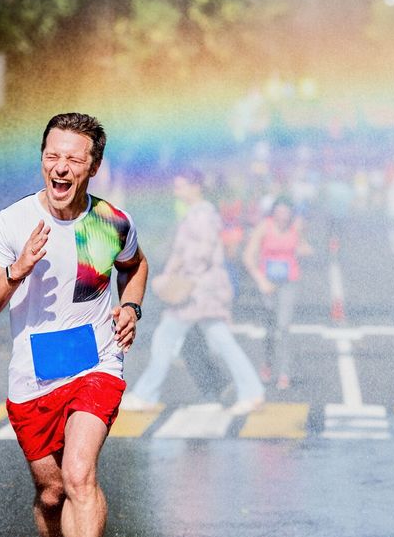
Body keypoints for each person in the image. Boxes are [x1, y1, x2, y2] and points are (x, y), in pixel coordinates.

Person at [0, 112, 148, 537]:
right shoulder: (13, 222)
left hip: (97, 364)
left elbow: (136, 265)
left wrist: (130, 306)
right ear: (42, 161)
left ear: (93, 166)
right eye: (53, 156)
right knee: (51, 495)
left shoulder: (112, 221)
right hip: (33, 375)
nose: (61, 167)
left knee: (78, 475)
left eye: (74, 158)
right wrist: (17, 268)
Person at [120, 167, 266, 415]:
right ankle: (251, 391)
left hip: (197, 291)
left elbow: (202, 252)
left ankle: (145, 394)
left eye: (180, 185)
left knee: (167, 338)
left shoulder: (202, 215)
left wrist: (179, 273)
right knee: (219, 340)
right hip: (200, 290)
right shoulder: (196, 214)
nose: (177, 190)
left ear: (195, 187)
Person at [242, 197, 312, 390]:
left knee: (284, 326)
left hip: (289, 282)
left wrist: (303, 248)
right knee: (270, 328)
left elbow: (305, 247)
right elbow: (248, 256)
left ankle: (284, 372)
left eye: (287, 212)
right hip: (268, 283)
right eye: (279, 212)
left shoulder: (296, 228)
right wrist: (260, 279)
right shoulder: (264, 227)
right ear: (273, 212)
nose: (283, 216)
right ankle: (267, 362)